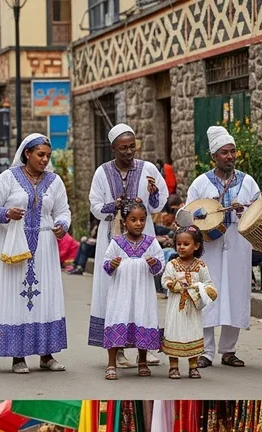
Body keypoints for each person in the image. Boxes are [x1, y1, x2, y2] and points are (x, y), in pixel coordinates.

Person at [0, 134, 70, 374]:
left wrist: (62, 224)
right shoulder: (7, 178)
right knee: (16, 297)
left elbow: (63, 210)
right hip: (14, 244)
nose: (44, 159)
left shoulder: (54, 181)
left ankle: (46, 355)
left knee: (44, 297)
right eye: (40, 154)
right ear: (27, 153)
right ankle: (17, 356)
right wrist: (7, 213)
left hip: (44, 246)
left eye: (48, 156)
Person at [88, 124, 168, 369]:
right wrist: (115, 205)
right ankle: (118, 349)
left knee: (142, 292)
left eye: (132, 146)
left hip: (143, 238)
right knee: (115, 294)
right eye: (123, 148)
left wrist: (153, 195)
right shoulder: (102, 172)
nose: (129, 151)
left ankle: (145, 348)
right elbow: (95, 205)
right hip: (112, 239)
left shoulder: (148, 169)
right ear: (113, 148)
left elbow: (159, 204)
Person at [187, 126, 260, 369]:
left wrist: (244, 209)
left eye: (233, 152)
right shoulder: (200, 183)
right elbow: (188, 216)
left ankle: (229, 351)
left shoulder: (248, 182)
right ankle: (206, 351)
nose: (230, 156)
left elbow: (260, 210)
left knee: (236, 294)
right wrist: (205, 214)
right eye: (224, 153)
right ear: (214, 156)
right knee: (208, 294)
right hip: (211, 247)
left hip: (239, 245)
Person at [100, 201, 165, 380]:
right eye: (133, 220)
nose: (138, 224)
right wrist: (111, 265)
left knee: (142, 317)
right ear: (124, 222)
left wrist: (155, 264)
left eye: (142, 220)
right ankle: (111, 363)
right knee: (117, 318)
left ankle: (142, 361)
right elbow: (106, 264)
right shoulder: (117, 242)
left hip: (143, 292)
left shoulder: (151, 242)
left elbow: (160, 266)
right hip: (121, 292)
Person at [161, 226, 218, 379]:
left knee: (193, 331)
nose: (181, 247)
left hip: (193, 307)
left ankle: (193, 366)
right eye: (179, 244)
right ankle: (173, 367)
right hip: (176, 306)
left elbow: (208, 282)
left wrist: (208, 290)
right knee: (174, 331)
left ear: (196, 246)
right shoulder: (172, 264)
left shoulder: (200, 266)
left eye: (186, 244)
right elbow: (164, 280)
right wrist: (173, 285)